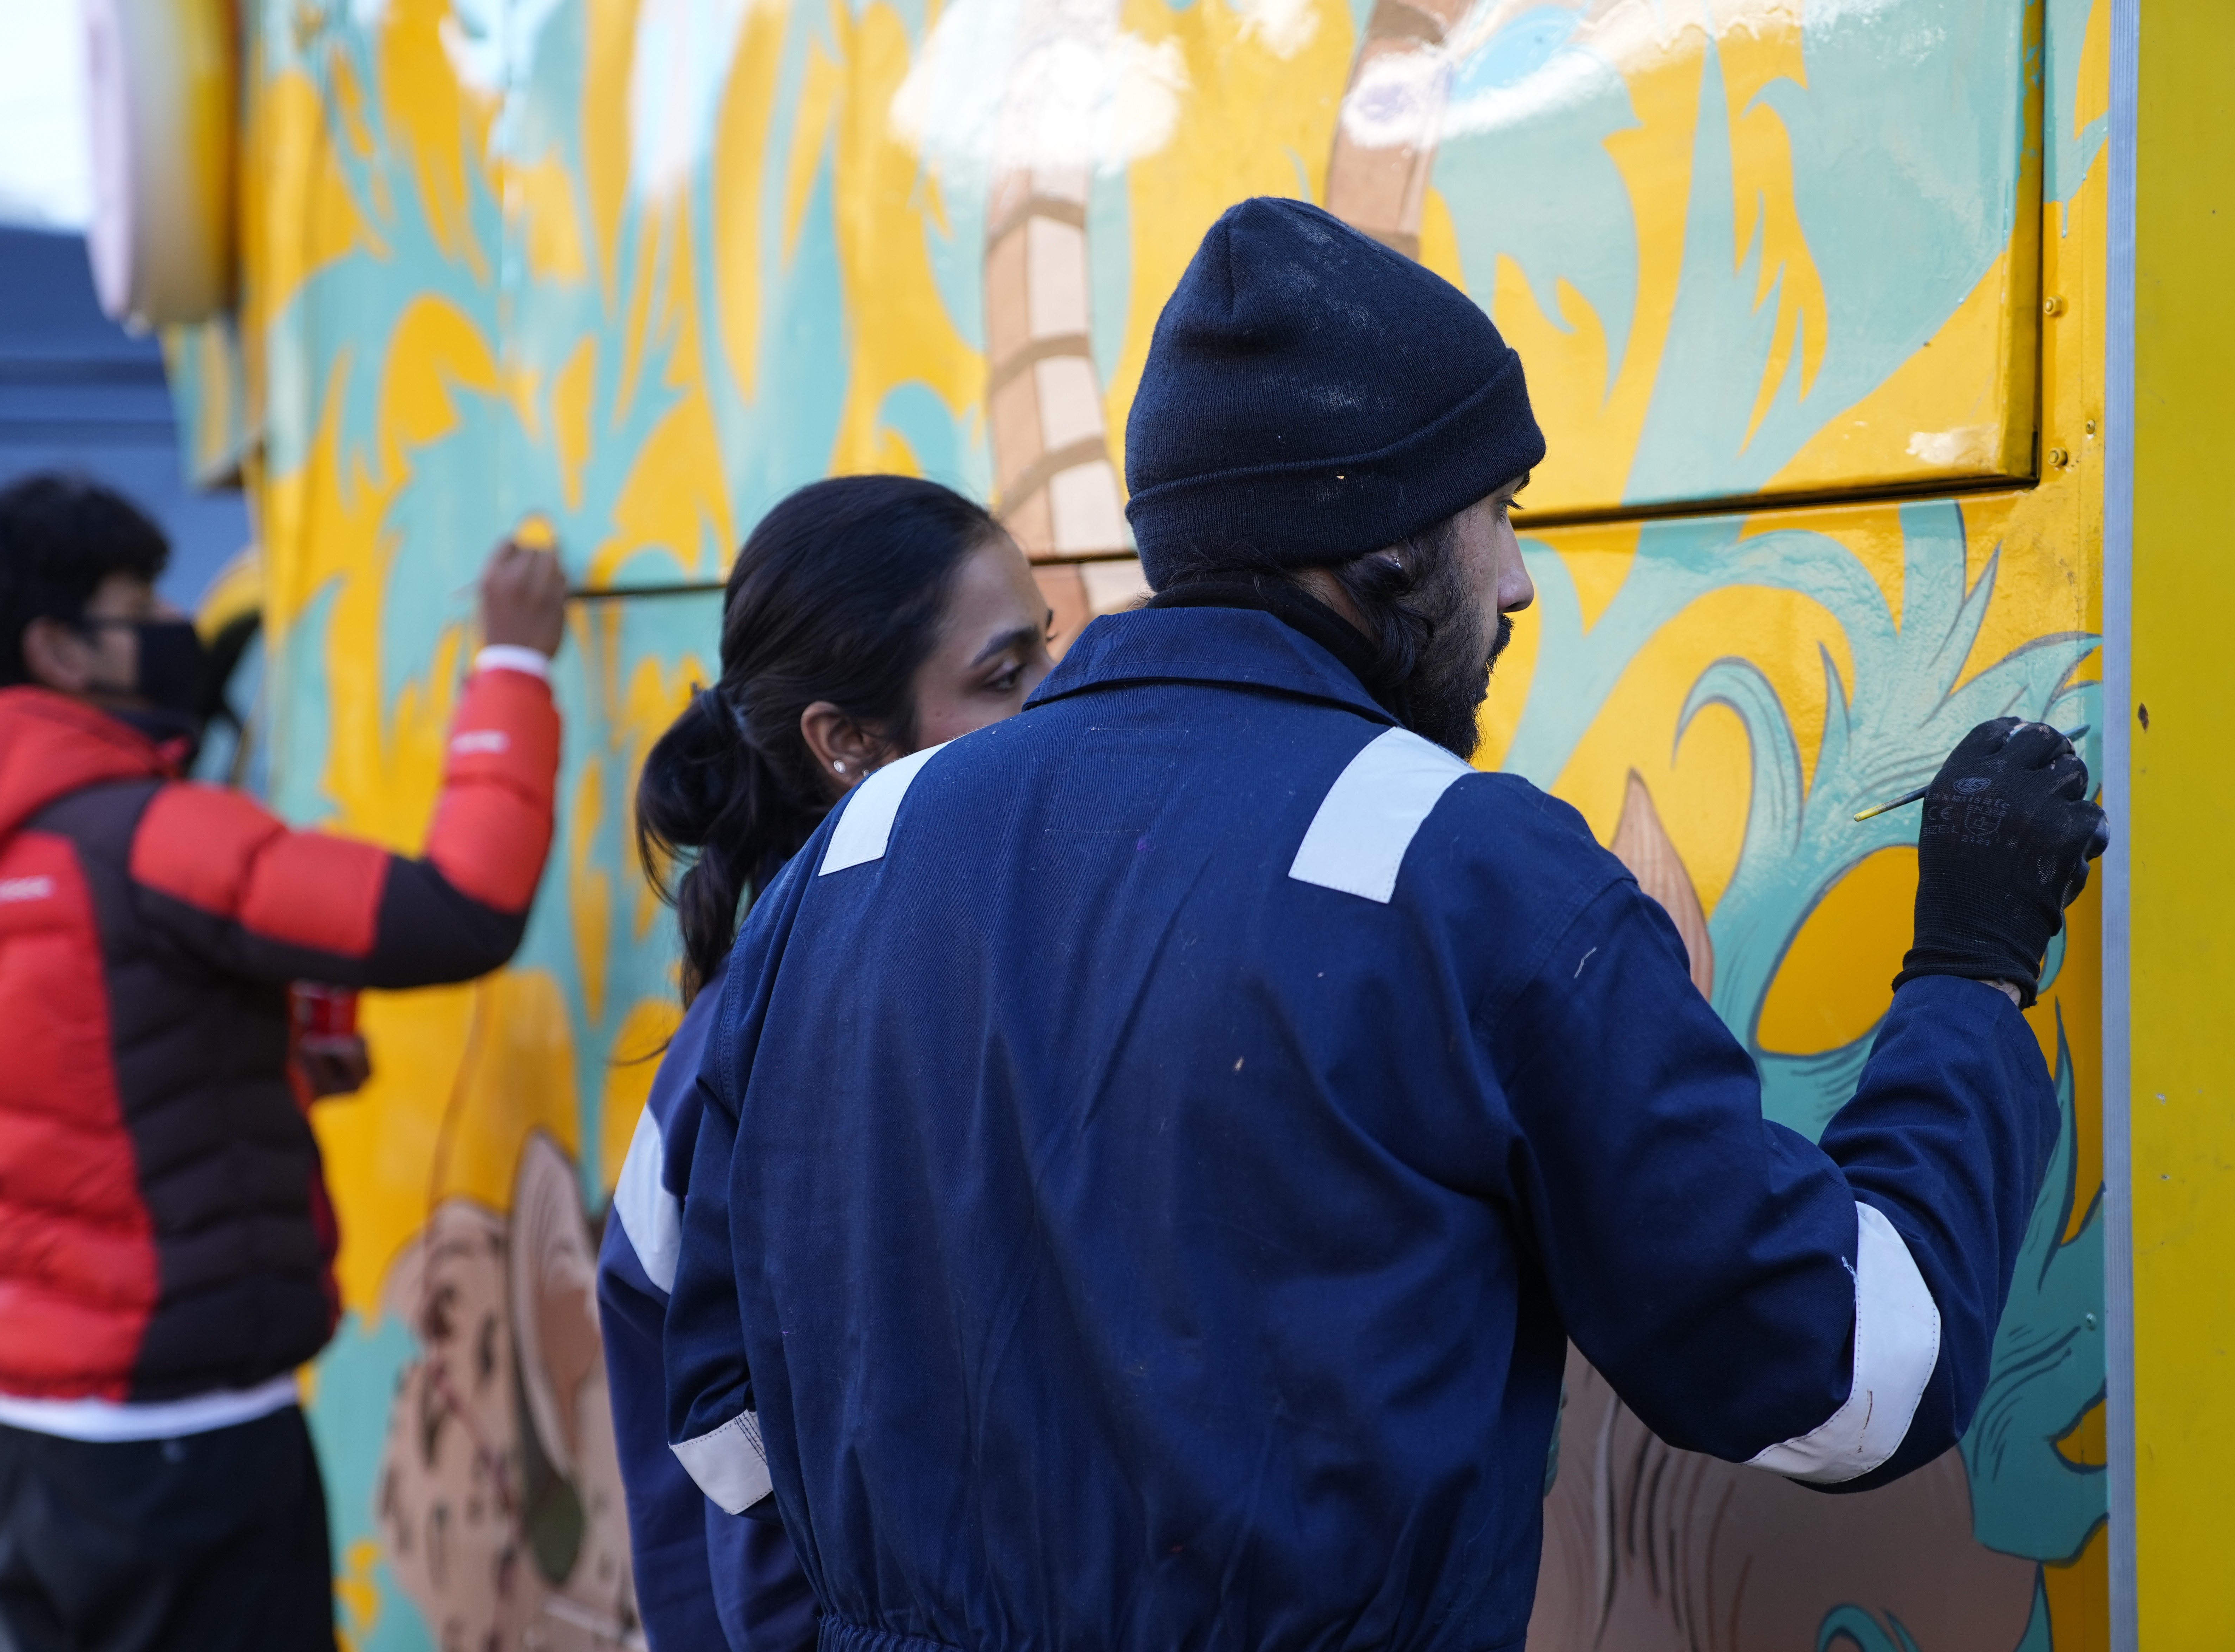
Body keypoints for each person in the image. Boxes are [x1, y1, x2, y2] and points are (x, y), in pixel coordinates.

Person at [656, 198, 2108, 1650]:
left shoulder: (856, 852)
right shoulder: (1469, 878)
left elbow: (714, 1376)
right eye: (1503, 515)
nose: (1523, 579)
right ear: (1384, 555)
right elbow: (1848, 1376)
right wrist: (1972, 971)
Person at [0, 474, 568, 1652]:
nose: (171, 620)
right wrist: (516, 671)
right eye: (137, 598)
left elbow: (44, 1102)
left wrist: (262, 1077)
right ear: (60, 648)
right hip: (191, 1452)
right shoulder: (148, 834)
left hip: (38, 1451)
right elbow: (458, 910)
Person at [599, 475, 1056, 1652]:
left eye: (1048, 657)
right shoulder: (770, 1047)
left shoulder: (1004, 959)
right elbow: (708, 1432)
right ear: (847, 743)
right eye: (1004, 679)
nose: (1058, 710)